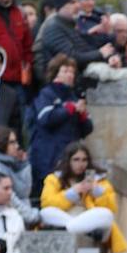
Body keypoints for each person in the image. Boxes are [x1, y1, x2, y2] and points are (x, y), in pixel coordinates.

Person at [39, 142, 127, 253]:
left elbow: (111, 208)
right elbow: (47, 203)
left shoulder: (100, 180)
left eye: (84, 160)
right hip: (65, 217)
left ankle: (70, 229)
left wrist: (96, 191)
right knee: (46, 212)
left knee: (107, 215)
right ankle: (75, 228)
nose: (80, 164)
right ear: (68, 161)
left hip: (91, 224)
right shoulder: (54, 179)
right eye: (76, 160)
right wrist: (73, 192)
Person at [29, 55, 94, 196]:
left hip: (68, 157)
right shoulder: (47, 94)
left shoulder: (75, 97)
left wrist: (82, 115)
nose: (70, 75)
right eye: (65, 71)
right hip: (47, 155)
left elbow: (88, 129)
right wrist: (69, 109)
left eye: (72, 72)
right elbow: (45, 118)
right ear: (55, 73)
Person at [33, 0, 114, 84]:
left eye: (77, 1)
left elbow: (84, 47)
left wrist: (110, 57)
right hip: (58, 86)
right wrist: (100, 53)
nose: (78, 6)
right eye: (72, 2)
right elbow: (71, 57)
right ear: (60, 7)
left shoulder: (68, 24)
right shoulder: (53, 28)